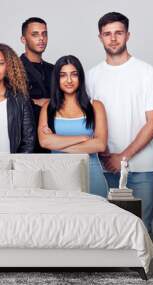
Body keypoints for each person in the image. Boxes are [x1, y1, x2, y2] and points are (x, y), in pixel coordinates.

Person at [87, 12, 153, 232]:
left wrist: (122, 157)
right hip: (102, 169)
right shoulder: (91, 76)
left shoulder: (147, 72)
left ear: (128, 35)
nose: (113, 39)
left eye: (118, 33)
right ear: (100, 37)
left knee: (141, 231)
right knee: (103, 231)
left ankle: (144, 270)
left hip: (140, 168)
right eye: (107, 34)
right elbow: (86, 121)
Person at [38, 55, 108, 197]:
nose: (69, 80)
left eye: (74, 74)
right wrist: (82, 138)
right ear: (57, 79)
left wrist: (57, 142)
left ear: (80, 77)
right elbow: (45, 142)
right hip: (58, 176)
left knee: (95, 218)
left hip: (91, 174)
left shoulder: (96, 106)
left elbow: (100, 145)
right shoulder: (48, 107)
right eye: (63, 75)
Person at [20, 17, 54, 153]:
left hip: (53, 140)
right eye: (35, 34)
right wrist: (36, 101)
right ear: (23, 39)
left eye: (44, 34)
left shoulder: (54, 70)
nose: (41, 38)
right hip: (26, 141)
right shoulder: (13, 69)